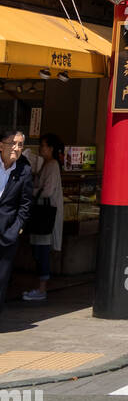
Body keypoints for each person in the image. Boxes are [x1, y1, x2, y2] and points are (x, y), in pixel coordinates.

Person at [22, 133, 65, 304]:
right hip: (42, 211)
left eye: (44, 145)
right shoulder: (46, 164)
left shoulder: (52, 165)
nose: (41, 148)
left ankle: (42, 288)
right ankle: (40, 286)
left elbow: (47, 191)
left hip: (45, 213)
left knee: (42, 250)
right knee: (39, 250)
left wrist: (29, 190)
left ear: (51, 148)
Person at [0, 128, 33, 312]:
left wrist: (16, 230)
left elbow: (26, 205)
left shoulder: (24, 170)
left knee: (1, 281)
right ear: (1, 145)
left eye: (20, 145)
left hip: (6, 235)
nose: (16, 148)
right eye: (13, 143)